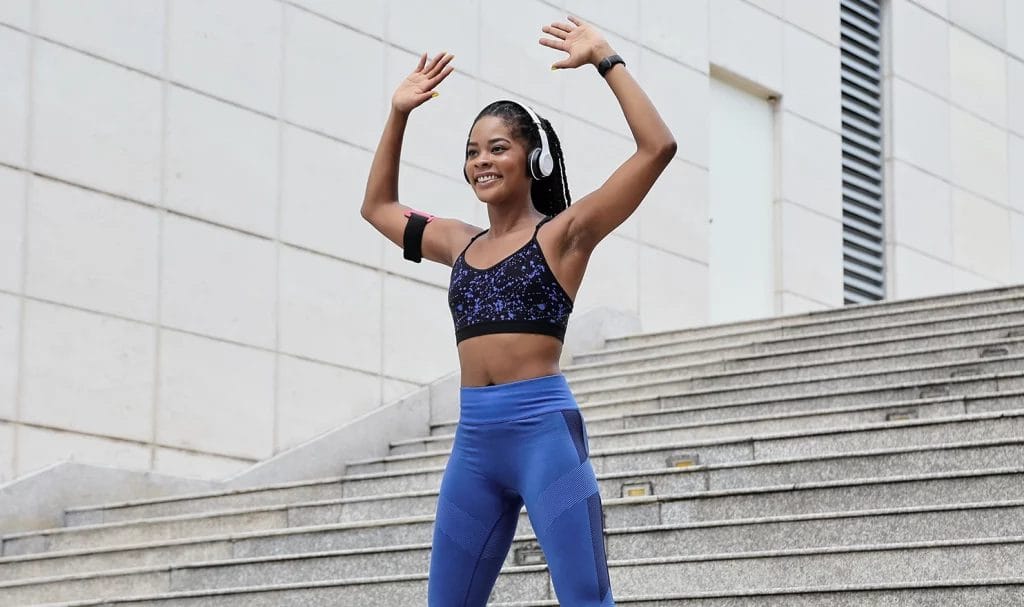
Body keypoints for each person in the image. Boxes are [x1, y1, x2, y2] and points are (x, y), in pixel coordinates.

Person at [360, 14, 676, 606]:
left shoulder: (565, 236)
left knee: (585, 599)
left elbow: (657, 147)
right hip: (474, 446)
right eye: (472, 151)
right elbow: (377, 207)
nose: (481, 160)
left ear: (535, 162)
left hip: (544, 438)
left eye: (498, 148)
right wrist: (399, 113)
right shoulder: (459, 242)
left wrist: (606, 58)